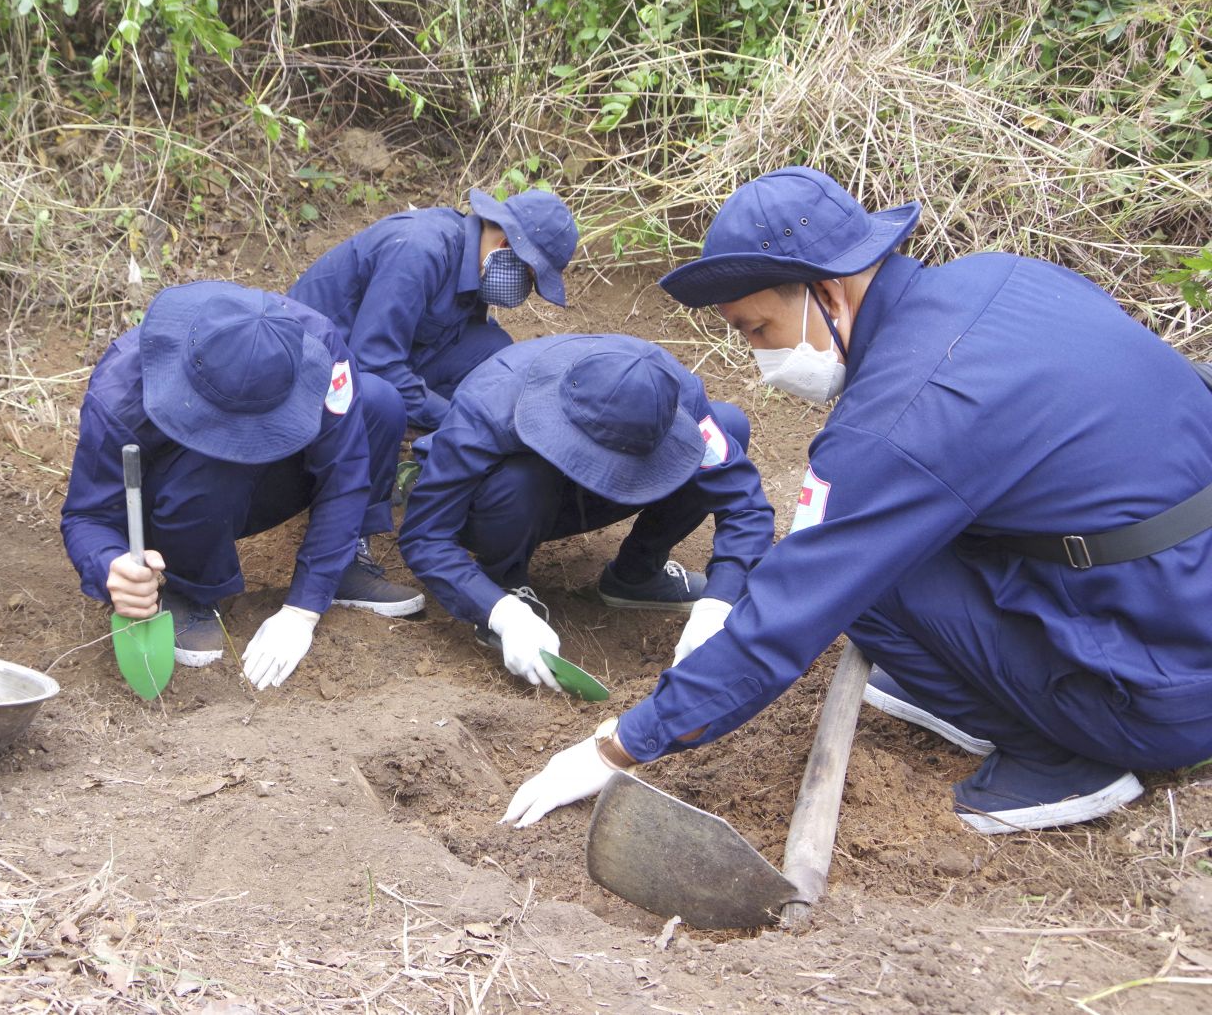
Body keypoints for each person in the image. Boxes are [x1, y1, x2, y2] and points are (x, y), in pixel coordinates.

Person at [502, 166, 1212, 834]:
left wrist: (615, 747)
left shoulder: (901, 417)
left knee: (859, 583)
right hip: (1176, 589)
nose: (760, 359)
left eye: (758, 329)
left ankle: (1062, 763)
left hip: (1161, 689)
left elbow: (787, 616)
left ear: (830, 293)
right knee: (893, 541)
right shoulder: (1000, 275)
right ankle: (990, 681)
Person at [60, 281, 425, 689]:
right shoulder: (122, 391)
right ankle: (191, 584)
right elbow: (87, 515)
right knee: (212, 468)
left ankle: (341, 566)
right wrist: (109, 564)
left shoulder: (319, 347)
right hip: (177, 494)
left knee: (378, 403)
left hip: (266, 479)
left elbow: (346, 472)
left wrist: (304, 607)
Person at [399, 333, 774, 690]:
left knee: (730, 426)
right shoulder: (492, 402)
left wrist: (719, 602)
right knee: (521, 480)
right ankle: (503, 582)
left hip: (586, 498)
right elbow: (425, 536)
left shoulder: (672, 391)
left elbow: (743, 503)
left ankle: (636, 575)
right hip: (507, 504)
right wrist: (500, 613)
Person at [288, 188, 579, 432]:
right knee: (386, 395)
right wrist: (455, 420)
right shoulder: (420, 251)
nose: (526, 290)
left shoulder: (474, 262)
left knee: (494, 350)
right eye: (529, 277)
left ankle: (425, 427)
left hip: (375, 355)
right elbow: (374, 363)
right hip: (316, 369)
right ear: (505, 246)